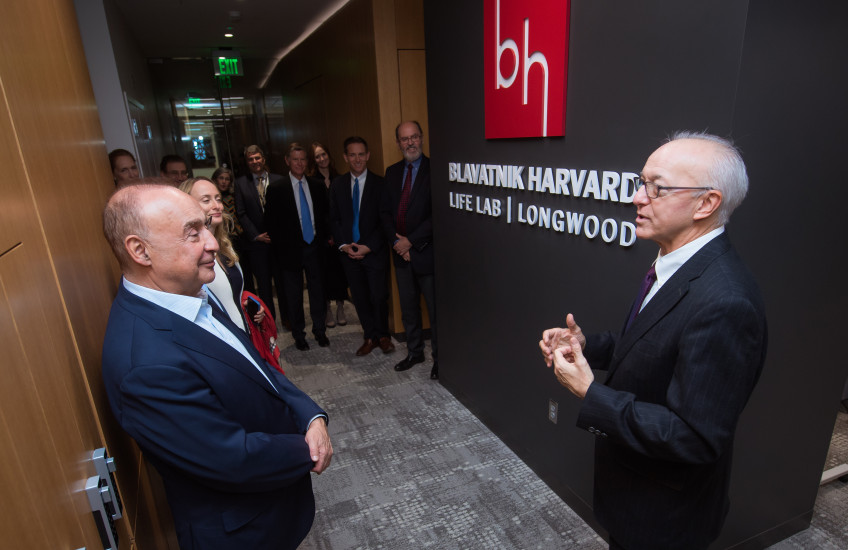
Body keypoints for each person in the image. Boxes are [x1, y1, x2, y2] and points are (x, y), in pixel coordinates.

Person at [539, 132, 768, 550]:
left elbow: (694, 437)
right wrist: (590, 345)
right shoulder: (676, 262)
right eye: (640, 182)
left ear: (706, 203)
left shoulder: (726, 302)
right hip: (634, 493)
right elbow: (651, 345)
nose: (637, 198)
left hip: (664, 516)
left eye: (656, 188)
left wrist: (590, 392)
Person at [101, 183, 332, 550]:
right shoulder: (144, 364)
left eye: (206, 227)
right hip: (241, 533)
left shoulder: (188, 293)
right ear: (140, 250)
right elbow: (231, 458)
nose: (211, 242)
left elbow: (256, 366)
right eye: (193, 233)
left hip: (273, 509)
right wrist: (309, 449)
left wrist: (310, 416)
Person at [329, 136, 395, 356]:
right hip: (348, 253)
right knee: (359, 297)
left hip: (374, 252)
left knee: (378, 296)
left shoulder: (381, 184)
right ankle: (370, 336)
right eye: (352, 154)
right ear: (345, 157)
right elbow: (334, 219)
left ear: (367, 156)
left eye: (361, 154)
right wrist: (344, 245)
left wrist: (369, 246)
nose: (357, 159)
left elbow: (385, 220)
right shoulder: (337, 185)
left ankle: (383, 335)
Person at [384, 121, 438, 379]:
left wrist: (411, 242)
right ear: (398, 143)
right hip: (401, 256)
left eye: (414, 137)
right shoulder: (392, 172)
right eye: (405, 139)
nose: (410, 143)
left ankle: (440, 359)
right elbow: (384, 214)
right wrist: (398, 244)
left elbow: (436, 215)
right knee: (408, 308)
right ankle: (415, 352)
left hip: (426, 252)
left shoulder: (434, 169)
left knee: (435, 310)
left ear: (422, 138)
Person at [263, 143, 330, 351]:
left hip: (315, 248)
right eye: (295, 159)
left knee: (318, 292)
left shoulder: (317, 185)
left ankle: (320, 331)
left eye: (303, 159)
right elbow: (270, 223)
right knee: (294, 295)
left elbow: (325, 217)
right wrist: (281, 248)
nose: (299, 163)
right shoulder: (276, 189)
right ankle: (298, 335)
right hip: (290, 251)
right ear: (287, 161)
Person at [178, 177, 261, 333]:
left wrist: (246, 304)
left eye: (218, 199)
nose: (217, 206)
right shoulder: (188, 257)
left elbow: (230, 295)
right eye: (206, 200)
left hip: (243, 335)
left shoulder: (224, 248)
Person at [233, 145, 288, 325]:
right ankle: (269, 321)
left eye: (257, 158)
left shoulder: (279, 180)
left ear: (263, 159)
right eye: (251, 159)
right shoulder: (240, 184)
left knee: (283, 285)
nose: (255, 162)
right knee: (264, 287)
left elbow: (286, 210)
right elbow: (240, 213)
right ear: (247, 162)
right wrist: (256, 235)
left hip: (279, 243)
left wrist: (278, 234)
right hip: (257, 245)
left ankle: (288, 319)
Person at [309, 141, 347, 328]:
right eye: (318, 156)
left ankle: (340, 307)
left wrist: (337, 234)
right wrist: (326, 235)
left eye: (324, 154)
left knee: (340, 273)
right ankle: (328, 309)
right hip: (321, 237)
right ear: (314, 160)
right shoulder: (311, 182)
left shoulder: (340, 178)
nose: (322, 158)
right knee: (324, 274)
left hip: (339, 235)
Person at [212, 166, 244, 240]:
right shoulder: (212, 198)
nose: (224, 182)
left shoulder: (234, 197)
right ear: (215, 179)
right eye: (221, 178)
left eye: (227, 179)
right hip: (218, 235)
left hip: (236, 236)